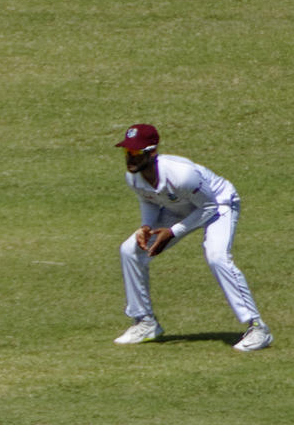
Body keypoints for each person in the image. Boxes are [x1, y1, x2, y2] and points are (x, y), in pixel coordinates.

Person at [113, 124, 272, 351]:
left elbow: (208, 207)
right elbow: (148, 199)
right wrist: (146, 226)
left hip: (219, 203)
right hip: (180, 206)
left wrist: (173, 232)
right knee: (130, 250)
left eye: (136, 152)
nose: (130, 157)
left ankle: (258, 328)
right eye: (127, 151)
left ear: (152, 152)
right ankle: (145, 322)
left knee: (217, 257)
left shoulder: (181, 174)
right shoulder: (134, 177)